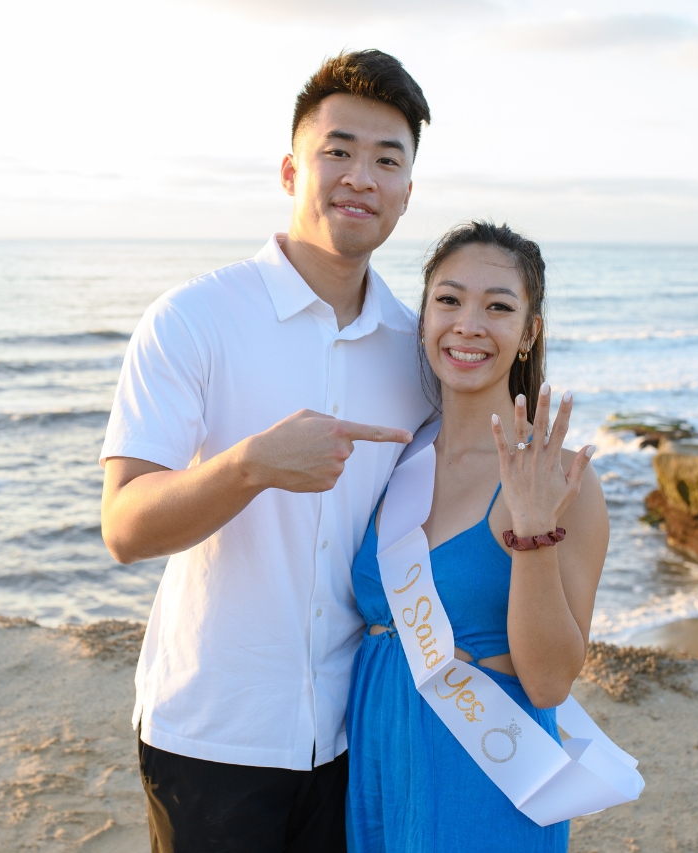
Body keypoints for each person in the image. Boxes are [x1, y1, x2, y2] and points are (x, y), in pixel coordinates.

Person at [99, 50, 434, 853]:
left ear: (407, 194)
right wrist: (251, 465)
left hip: (351, 732)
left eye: (387, 160)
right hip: (211, 731)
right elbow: (125, 526)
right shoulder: (194, 319)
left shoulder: (418, 350)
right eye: (339, 150)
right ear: (292, 169)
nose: (361, 176)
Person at [345, 221, 611, 852]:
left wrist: (533, 529)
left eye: (498, 306)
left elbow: (549, 681)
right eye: (449, 300)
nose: (468, 324)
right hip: (380, 749)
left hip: (483, 764)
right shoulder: (394, 458)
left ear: (530, 332)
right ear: (424, 316)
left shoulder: (559, 476)